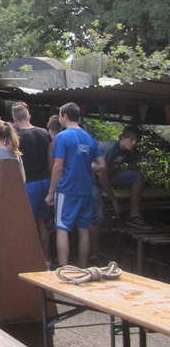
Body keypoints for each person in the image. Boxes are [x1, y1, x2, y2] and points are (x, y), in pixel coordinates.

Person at [46, 103, 105, 268]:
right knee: (83, 229)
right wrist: (87, 166)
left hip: (67, 189)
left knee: (62, 228)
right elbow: (102, 165)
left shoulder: (62, 137)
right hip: (86, 189)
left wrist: (51, 193)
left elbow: (58, 166)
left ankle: (64, 269)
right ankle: (83, 267)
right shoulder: (89, 138)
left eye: (60, 115)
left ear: (64, 116)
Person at [11, 102, 53, 260]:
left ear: (15, 119)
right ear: (29, 116)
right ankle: (46, 259)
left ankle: (28, 259)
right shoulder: (44, 133)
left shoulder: (17, 138)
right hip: (45, 180)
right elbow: (50, 158)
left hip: (29, 183)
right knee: (42, 221)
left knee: (27, 223)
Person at [97, 127, 151, 230]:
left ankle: (134, 216)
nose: (134, 143)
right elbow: (102, 177)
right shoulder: (111, 149)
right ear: (122, 138)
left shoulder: (129, 151)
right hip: (93, 179)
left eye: (137, 140)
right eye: (131, 139)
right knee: (96, 209)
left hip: (110, 176)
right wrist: (114, 201)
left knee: (137, 176)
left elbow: (133, 169)